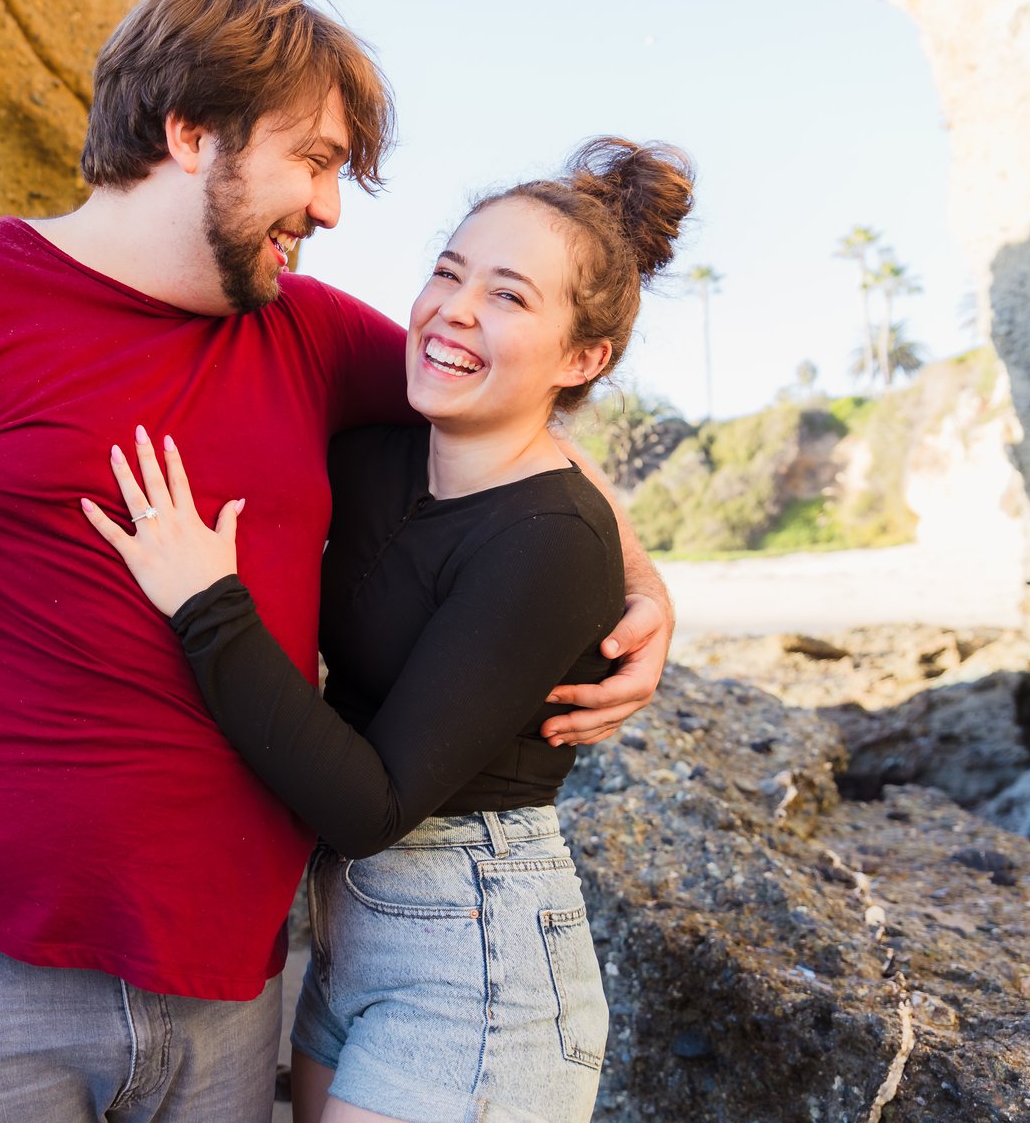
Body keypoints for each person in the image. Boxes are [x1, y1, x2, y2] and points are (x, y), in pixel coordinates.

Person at [0, 0, 674, 1122]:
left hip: (229, 993)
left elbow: (510, 416)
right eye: (313, 161)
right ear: (189, 132)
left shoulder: (306, 334)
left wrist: (640, 580)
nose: (330, 207)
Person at [81, 138, 694, 1123]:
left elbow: (374, 806)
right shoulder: (378, 451)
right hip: (347, 935)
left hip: (480, 957)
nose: (456, 309)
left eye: (508, 295)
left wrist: (207, 603)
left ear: (583, 359)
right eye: (447, 273)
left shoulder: (552, 539)